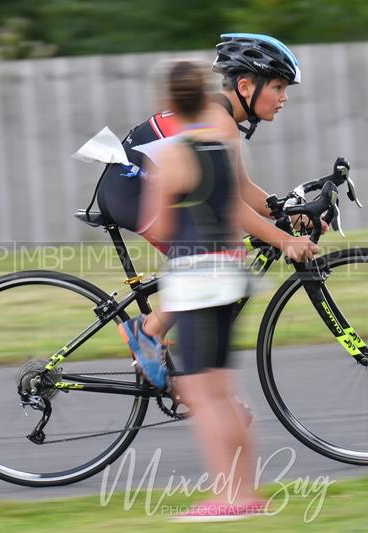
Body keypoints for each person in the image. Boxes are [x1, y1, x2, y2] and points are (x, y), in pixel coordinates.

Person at [103, 34, 320, 387]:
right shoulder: (218, 122)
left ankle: (199, 385)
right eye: (279, 87)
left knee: (216, 258)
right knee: (213, 259)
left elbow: (243, 191)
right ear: (247, 86)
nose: (285, 97)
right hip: (132, 191)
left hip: (137, 185)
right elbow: (228, 204)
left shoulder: (222, 119)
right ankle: (150, 333)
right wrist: (283, 240)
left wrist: (293, 215)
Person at [123, 59, 266, 521]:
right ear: (206, 99)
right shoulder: (221, 148)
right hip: (230, 277)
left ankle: (227, 498)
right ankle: (249, 492)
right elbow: (233, 210)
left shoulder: (170, 157)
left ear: (168, 105)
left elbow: (161, 223)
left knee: (202, 397)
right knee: (223, 393)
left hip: (194, 284)